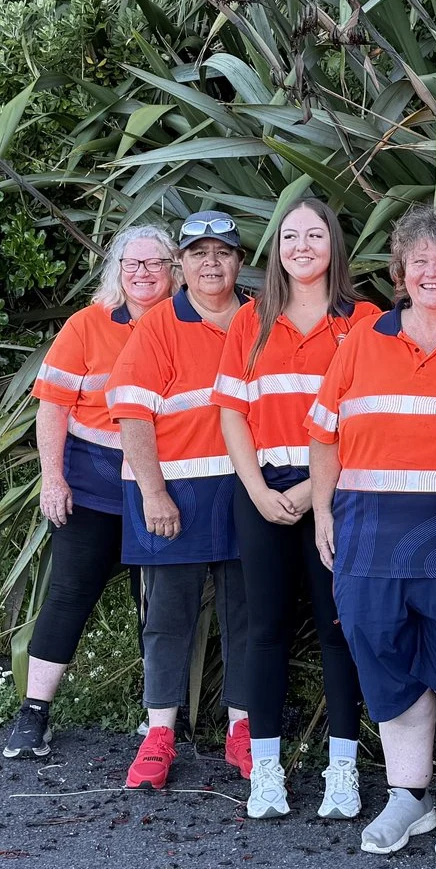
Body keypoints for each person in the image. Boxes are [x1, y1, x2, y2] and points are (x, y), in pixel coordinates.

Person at [308, 207, 436, 860]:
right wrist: (323, 512)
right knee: (388, 673)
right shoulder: (362, 339)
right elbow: (323, 433)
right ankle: (409, 796)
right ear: (400, 271)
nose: (432, 271)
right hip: (369, 541)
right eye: (420, 260)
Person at [213, 197, 376, 820]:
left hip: (333, 492)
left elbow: (367, 418)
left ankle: (342, 771)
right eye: (289, 236)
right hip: (260, 491)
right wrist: (255, 490)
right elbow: (232, 412)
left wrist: (315, 491)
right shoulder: (250, 321)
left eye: (313, 235)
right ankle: (267, 771)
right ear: (275, 250)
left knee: (340, 631)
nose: (301, 246)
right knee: (266, 632)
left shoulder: (364, 322)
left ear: (333, 244)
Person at [2, 223, 176, 761]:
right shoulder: (87, 324)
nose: (143, 274)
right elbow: (52, 404)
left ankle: (161, 725)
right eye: (133, 264)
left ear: (174, 272)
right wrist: (52, 477)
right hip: (93, 486)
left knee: (159, 606)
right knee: (69, 593)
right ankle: (33, 713)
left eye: (155, 264)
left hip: (162, 489)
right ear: (117, 271)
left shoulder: (187, 324)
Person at [106, 209, 255, 791]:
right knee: (167, 620)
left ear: (239, 261)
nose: (210, 263)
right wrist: (152, 491)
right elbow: (132, 414)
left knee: (248, 614)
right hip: (174, 493)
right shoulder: (159, 324)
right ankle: (158, 735)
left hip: (246, 490)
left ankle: (244, 731)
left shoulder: (260, 318)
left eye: (222, 252)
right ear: (181, 266)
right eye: (198, 253)